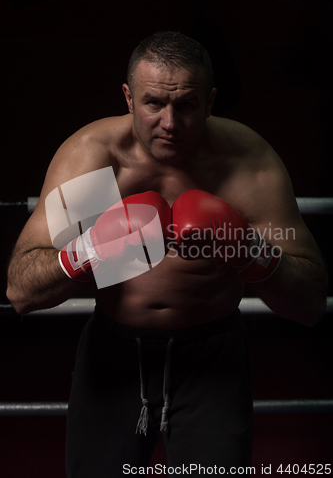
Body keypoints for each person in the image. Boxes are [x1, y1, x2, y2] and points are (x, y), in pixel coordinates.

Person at [6, 31, 327, 477]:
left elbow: (310, 304)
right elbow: (21, 289)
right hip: (112, 356)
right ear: (128, 98)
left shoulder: (246, 163)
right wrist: (91, 250)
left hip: (213, 360)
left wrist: (249, 251)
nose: (170, 123)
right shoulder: (100, 161)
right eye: (154, 102)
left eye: (187, 105)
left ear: (211, 101)